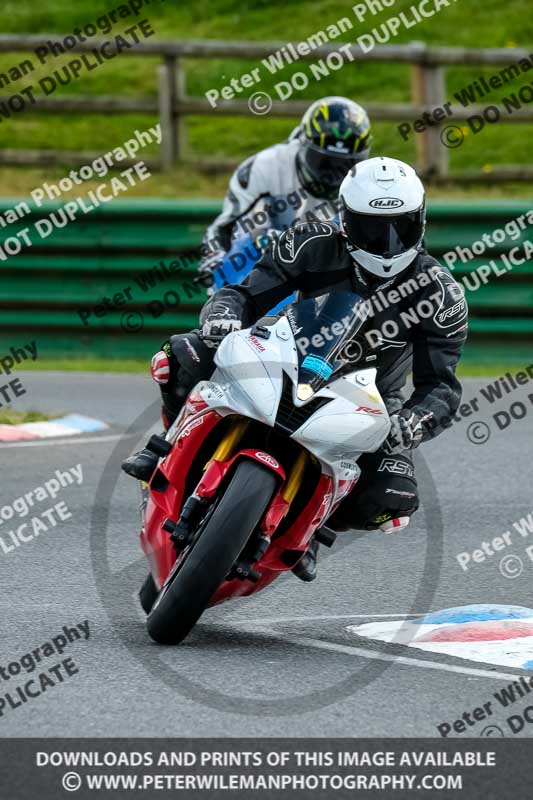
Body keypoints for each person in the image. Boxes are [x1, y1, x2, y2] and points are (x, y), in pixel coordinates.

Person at [123, 156, 468, 581]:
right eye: (373, 229)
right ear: (345, 220)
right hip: (285, 355)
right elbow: (246, 294)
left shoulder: (439, 294)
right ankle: (163, 445)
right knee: (184, 354)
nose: (388, 243)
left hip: (372, 400)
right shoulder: (308, 243)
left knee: (392, 497)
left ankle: (315, 528)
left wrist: (414, 422)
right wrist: (222, 316)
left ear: (421, 221)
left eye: (402, 227)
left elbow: (442, 387)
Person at [197, 96, 372, 291]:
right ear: (302, 143)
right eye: (324, 162)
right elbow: (225, 229)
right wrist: (214, 261)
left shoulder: (366, 181)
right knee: (239, 253)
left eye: (345, 164)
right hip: (265, 262)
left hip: (326, 271)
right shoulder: (262, 168)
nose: (332, 175)